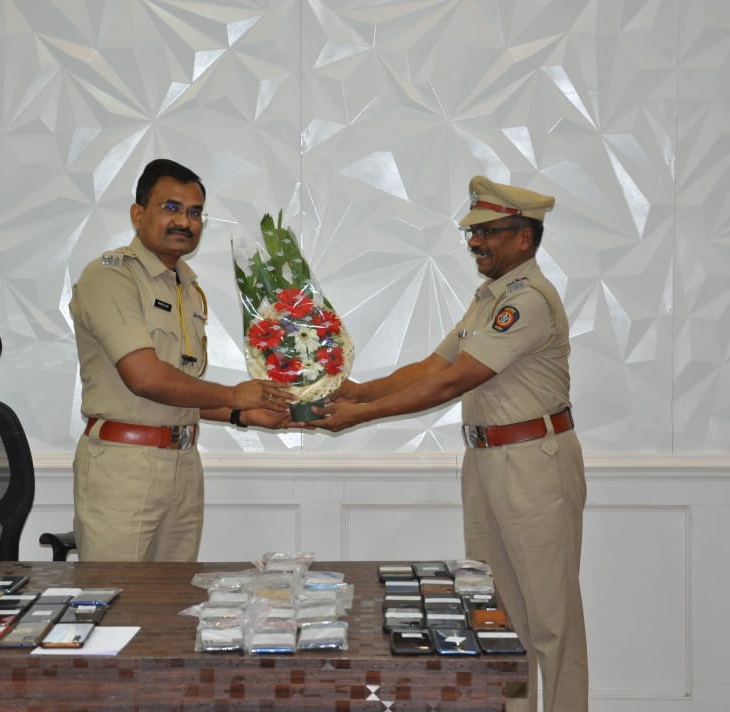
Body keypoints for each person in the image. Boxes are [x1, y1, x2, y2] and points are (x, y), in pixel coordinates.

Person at [307, 175, 588, 712]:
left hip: (534, 463)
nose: (475, 242)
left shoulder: (527, 302)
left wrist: (361, 414)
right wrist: (357, 391)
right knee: (499, 613)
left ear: (523, 238)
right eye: (471, 233)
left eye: (488, 232)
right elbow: (432, 367)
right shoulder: (489, 299)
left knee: (553, 620)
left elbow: (454, 381)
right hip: (487, 462)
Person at [70, 158, 291, 562]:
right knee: (116, 592)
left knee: (173, 594)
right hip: (123, 466)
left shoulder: (186, 286)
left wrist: (241, 414)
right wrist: (235, 396)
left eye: (194, 213)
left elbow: (178, 390)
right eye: (170, 207)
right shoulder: (111, 276)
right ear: (138, 214)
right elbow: (145, 378)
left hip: (184, 463)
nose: (184, 222)